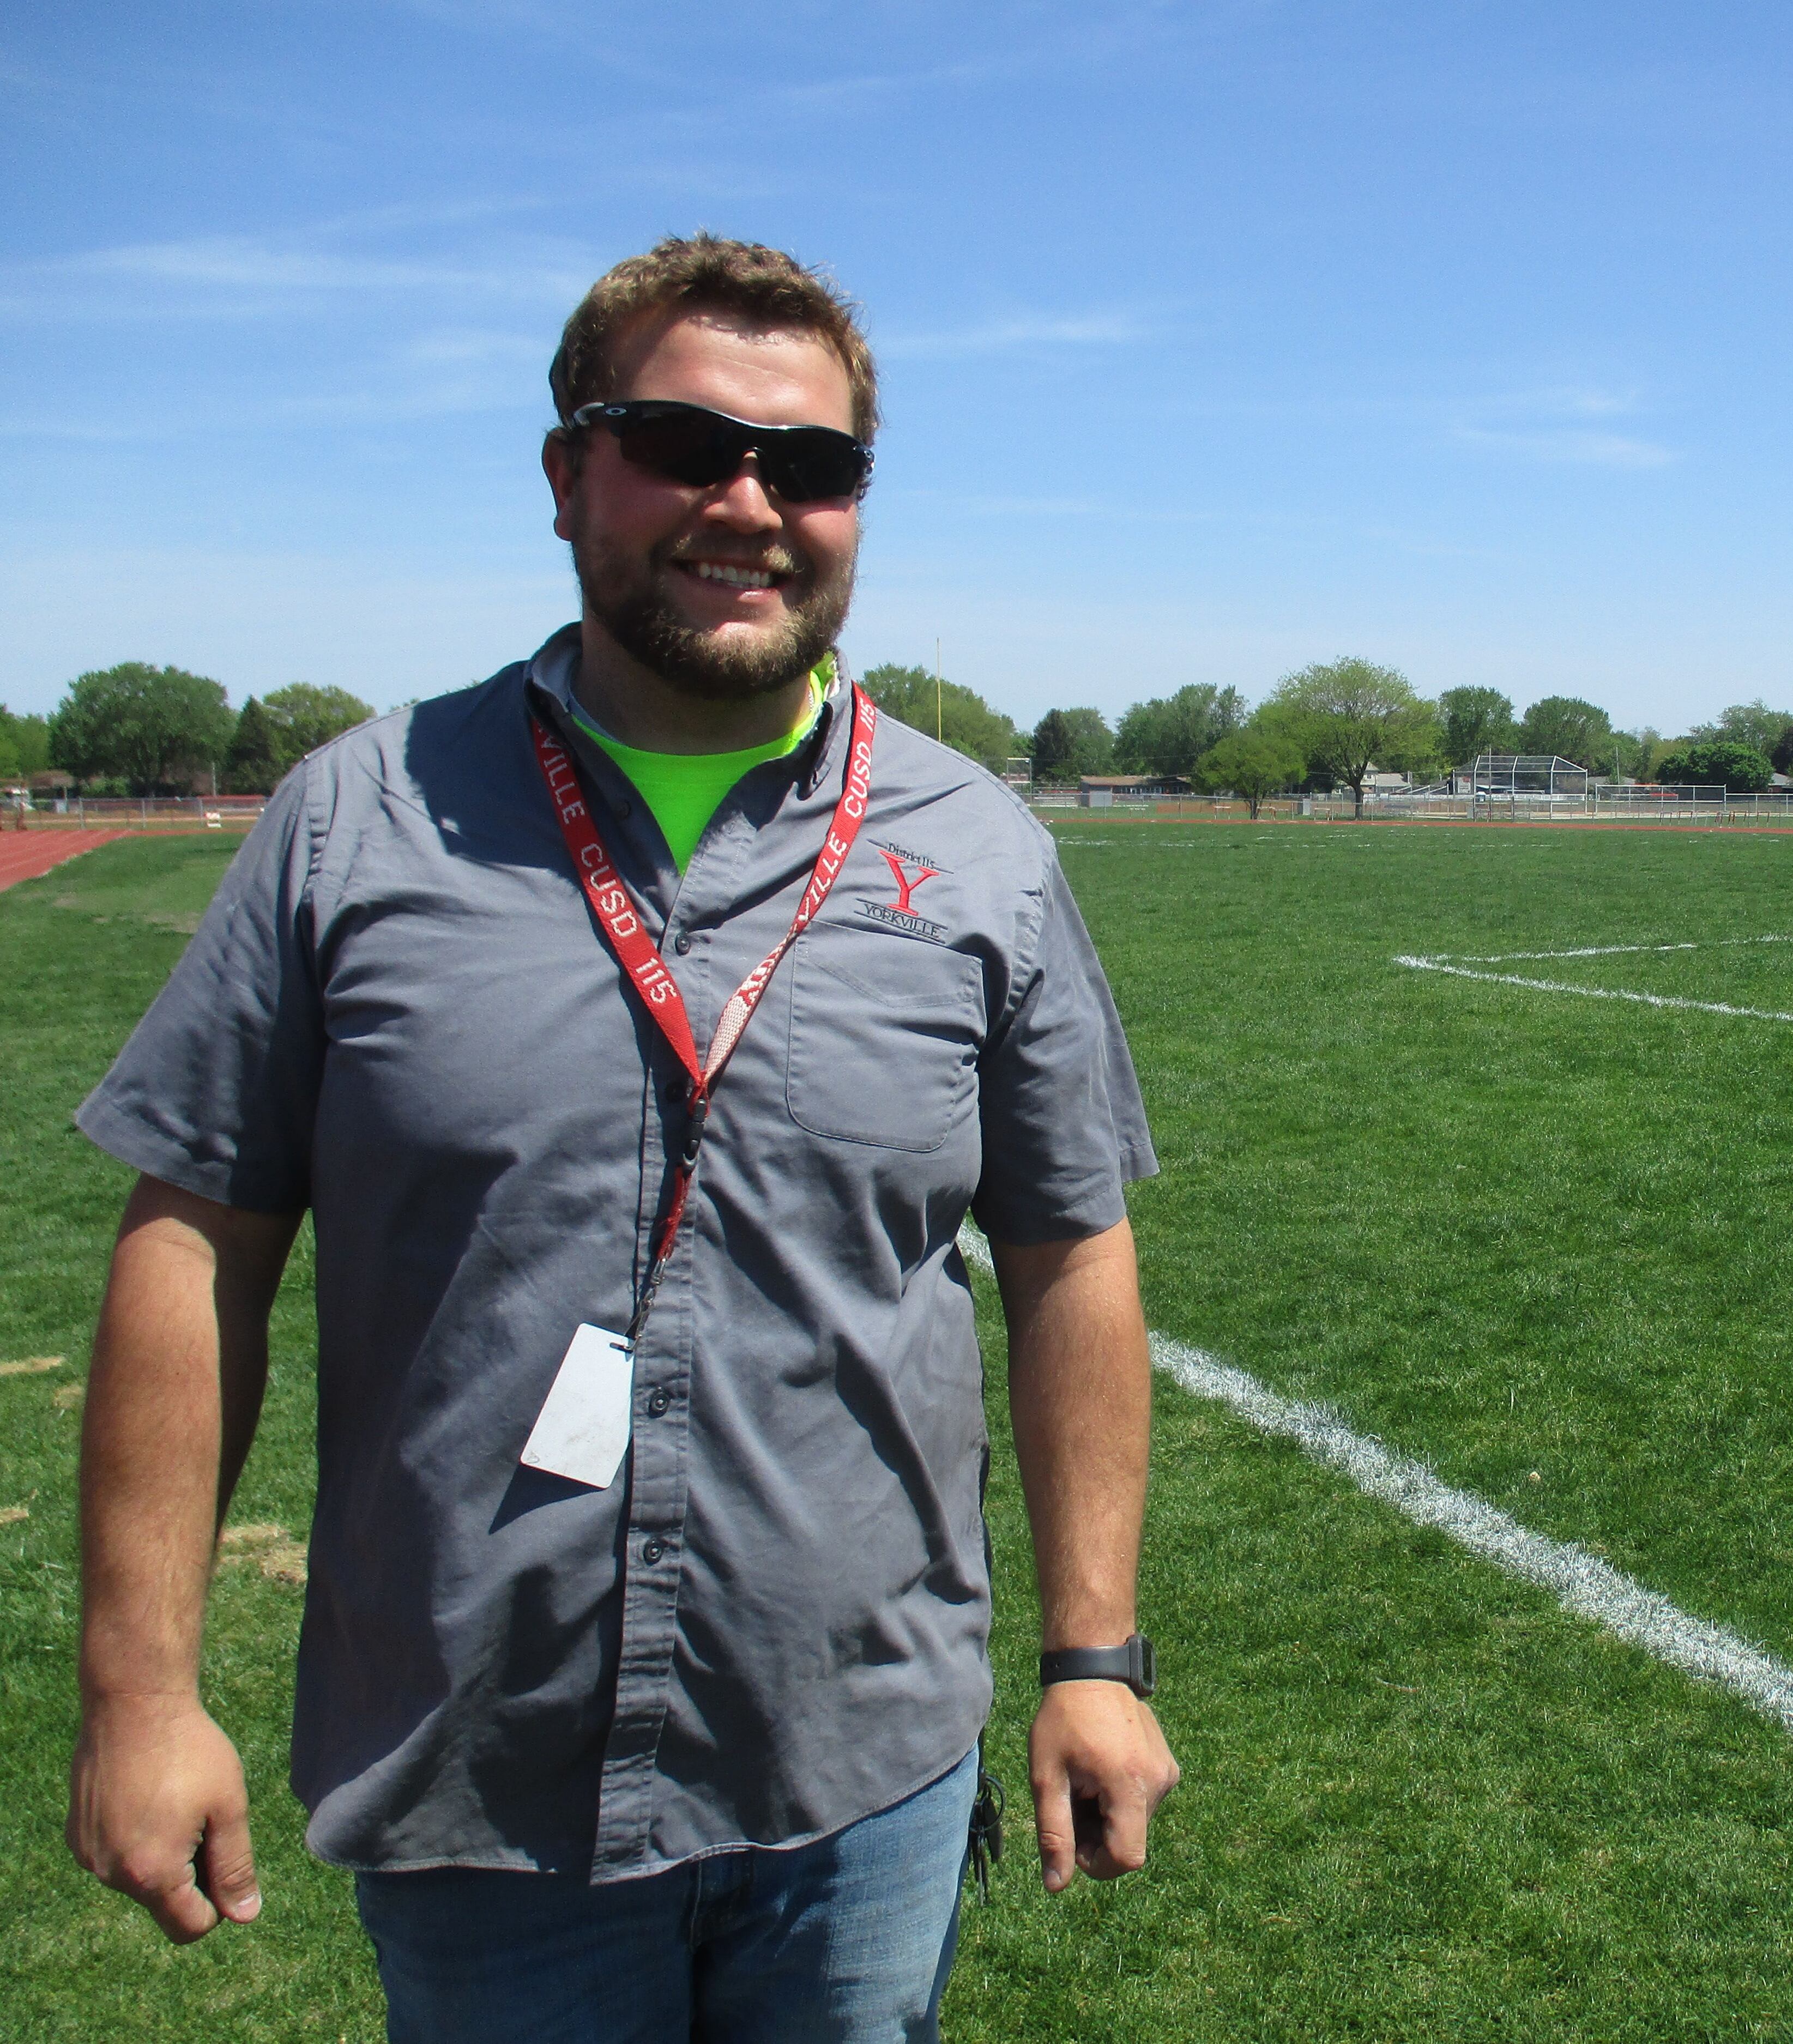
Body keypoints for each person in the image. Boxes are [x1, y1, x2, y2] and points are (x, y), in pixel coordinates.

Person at [63, 234, 1178, 2041]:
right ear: (570, 474)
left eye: (808, 467)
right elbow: (192, 1244)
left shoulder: (981, 852)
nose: (748, 503)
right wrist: (138, 1694)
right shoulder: (358, 826)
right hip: (478, 1774)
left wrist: (1096, 1658)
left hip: (860, 1762)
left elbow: (1071, 1255)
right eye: (683, 443)